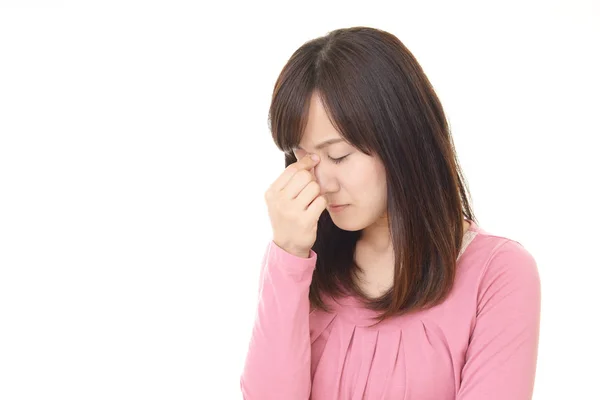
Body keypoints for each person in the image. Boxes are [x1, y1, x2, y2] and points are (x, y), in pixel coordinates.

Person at [240, 26, 541, 400]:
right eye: (303, 159)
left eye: (339, 156)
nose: (322, 182)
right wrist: (287, 255)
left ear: (401, 140)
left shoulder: (498, 273)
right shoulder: (300, 266)